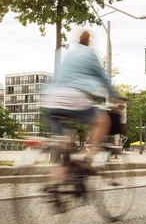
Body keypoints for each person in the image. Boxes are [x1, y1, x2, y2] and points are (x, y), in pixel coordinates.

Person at [41, 30, 122, 183]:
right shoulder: (89, 54)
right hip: (70, 97)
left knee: (63, 146)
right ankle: (88, 158)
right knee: (102, 120)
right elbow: (102, 77)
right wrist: (115, 97)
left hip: (51, 98)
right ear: (89, 41)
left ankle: (54, 187)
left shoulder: (70, 55)